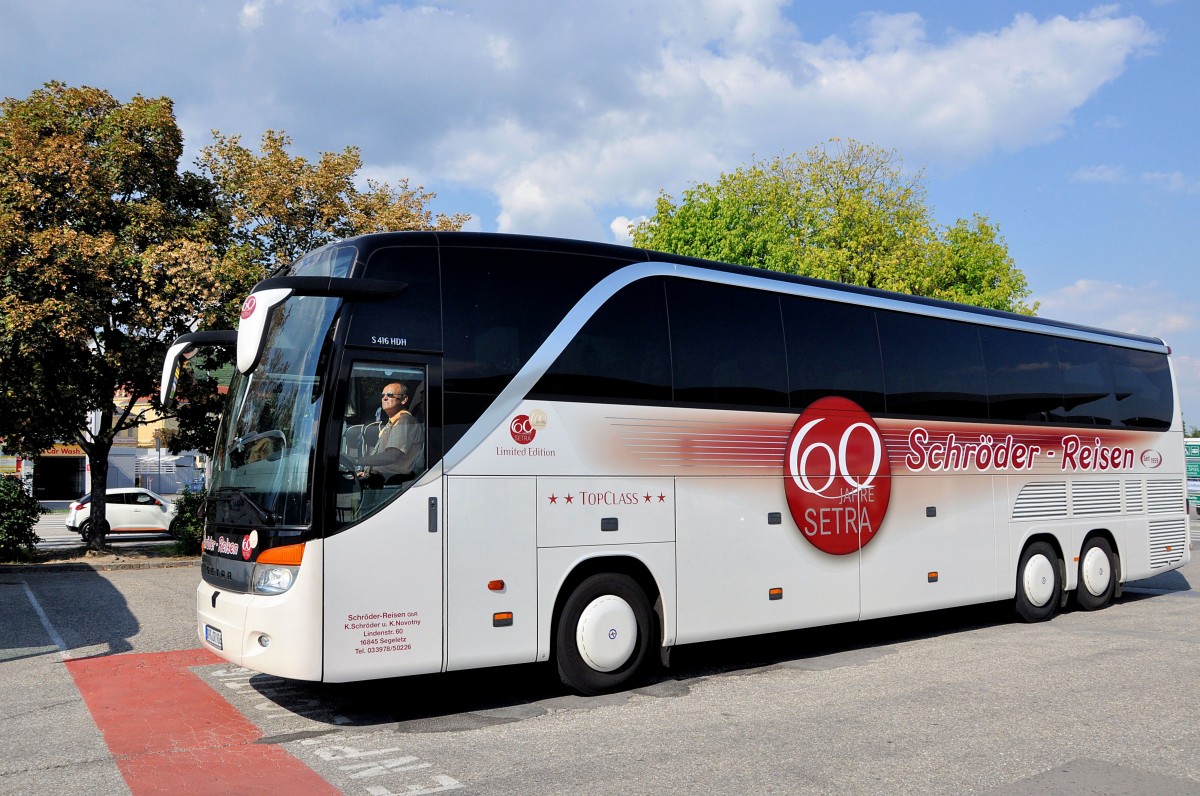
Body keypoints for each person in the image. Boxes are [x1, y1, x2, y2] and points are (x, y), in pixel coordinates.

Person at [355, 382, 424, 487]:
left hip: (393, 484)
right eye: (383, 395)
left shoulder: (404, 420)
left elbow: (392, 456)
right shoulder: (393, 422)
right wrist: (367, 472)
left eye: (390, 395)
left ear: (404, 399)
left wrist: (357, 460)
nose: (385, 398)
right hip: (384, 480)